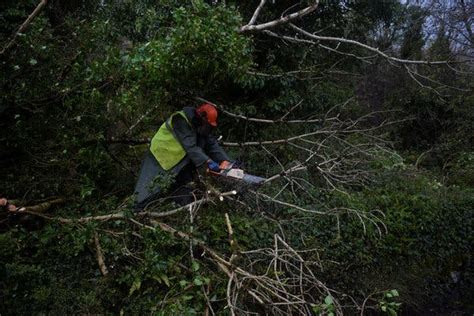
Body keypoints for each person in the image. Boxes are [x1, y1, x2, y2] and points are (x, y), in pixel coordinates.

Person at [134, 103, 232, 209]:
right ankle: (136, 212)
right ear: (201, 117)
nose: (208, 128)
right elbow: (191, 147)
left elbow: (211, 143)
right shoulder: (180, 120)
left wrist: (225, 160)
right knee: (147, 190)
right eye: (207, 125)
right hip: (160, 157)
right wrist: (208, 162)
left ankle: (182, 213)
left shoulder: (200, 127)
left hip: (179, 162)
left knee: (184, 191)